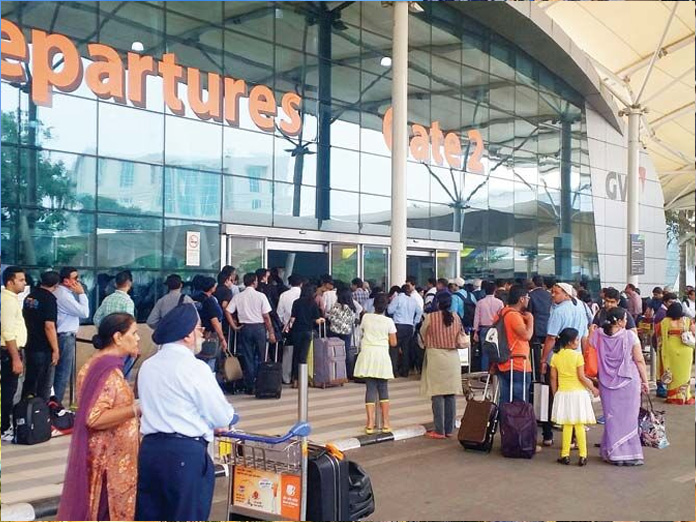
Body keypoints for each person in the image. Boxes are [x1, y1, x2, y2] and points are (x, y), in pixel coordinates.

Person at [136, 304, 236, 520]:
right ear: (188, 335)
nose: (202, 334)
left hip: (150, 451)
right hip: (184, 455)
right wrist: (223, 420)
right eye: (199, 329)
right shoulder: (195, 368)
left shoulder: (148, 366)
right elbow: (221, 416)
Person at [57, 313, 141, 521]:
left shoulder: (105, 365)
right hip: (108, 466)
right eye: (134, 333)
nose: (138, 338)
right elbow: (93, 418)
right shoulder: (105, 370)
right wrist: (136, 409)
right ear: (118, 337)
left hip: (113, 460)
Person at [591, 307, 649, 466]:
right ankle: (629, 454)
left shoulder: (597, 335)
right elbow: (639, 361)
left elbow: (588, 346)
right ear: (619, 321)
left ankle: (611, 452)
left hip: (605, 384)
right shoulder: (630, 336)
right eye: (625, 318)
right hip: (628, 383)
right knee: (629, 419)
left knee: (612, 419)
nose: (627, 320)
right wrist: (645, 381)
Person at [540, 282, 590, 447]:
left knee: (550, 395)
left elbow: (551, 337)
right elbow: (584, 336)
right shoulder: (581, 308)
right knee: (574, 396)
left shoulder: (559, 311)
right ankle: (575, 438)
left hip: (558, 358)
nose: (553, 295)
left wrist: (543, 360)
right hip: (576, 358)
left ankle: (548, 434)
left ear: (566, 294)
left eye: (556, 292)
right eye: (552, 292)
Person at [549, 328, 598, 467]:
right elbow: (581, 377)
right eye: (577, 340)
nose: (578, 342)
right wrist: (593, 388)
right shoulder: (577, 356)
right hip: (578, 394)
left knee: (567, 424)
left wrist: (555, 392)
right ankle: (583, 455)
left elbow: (553, 377)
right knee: (579, 425)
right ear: (570, 342)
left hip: (563, 392)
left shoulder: (555, 356)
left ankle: (565, 455)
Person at [419, 294, 464, 439]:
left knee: (437, 394)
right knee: (450, 394)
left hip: (436, 357)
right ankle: (449, 429)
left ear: (437, 303)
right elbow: (461, 335)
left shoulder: (431, 317)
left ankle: (439, 430)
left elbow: (422, 333)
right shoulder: (456, 317)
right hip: (452, 358)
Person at [354, 294, 397, 434]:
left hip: (367, 355)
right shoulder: (389, 321)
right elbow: (393, 342)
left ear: (374, 305)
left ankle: (370, 423)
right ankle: (386, 423)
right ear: (386, 307)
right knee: (383, 388)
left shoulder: (366, 318)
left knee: (370, 388)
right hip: (382, 355)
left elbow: (361, 332)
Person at [226, 273, 276, 394]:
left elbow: (228, 311)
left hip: (245, 328)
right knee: (262, 356)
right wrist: (271, 332)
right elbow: (266, 317)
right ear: (254, 282)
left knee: (248, 357)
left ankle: (250, 386)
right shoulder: (261, 296)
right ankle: (262, 384)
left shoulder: (238, 296)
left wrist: (234, 326)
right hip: (259, 328)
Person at [54, 266, 90, 403]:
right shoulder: (63, 295)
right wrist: (82, 294)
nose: (78, 281)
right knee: (63, 373)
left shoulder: (65, 294)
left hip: (65, 335)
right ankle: (56, 404)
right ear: (66, 281)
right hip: (65, 336)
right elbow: (84, 313)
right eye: (75, 278)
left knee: (61, 373)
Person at [22, 270, 60, 401]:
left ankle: (24, 411)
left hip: (30, 343)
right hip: (43, 347)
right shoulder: (49, 299)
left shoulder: (30, 296)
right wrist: (55, 349)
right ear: (56, 285)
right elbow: (49, 326)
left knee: (30, 381)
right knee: (43, 384)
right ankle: (39, 414)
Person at [1, 266, 28, 440]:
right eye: (21, 280)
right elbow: (8, 332)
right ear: (10, 282)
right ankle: (4, 428)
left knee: (9, 391)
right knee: (8, 392)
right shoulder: (8, 301)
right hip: (8, 351)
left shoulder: (10, 299)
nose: (25, 283)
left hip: (10, 350)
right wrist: (16, 358)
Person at [496, 285, 534, 404]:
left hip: (503, 362)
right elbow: (526, 335)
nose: (528, 300)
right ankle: (518, 423)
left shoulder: (501, 314)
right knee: (519, 402)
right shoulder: (513, 316)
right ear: (521, 299)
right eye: (527, 297)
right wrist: (531, 320)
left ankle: (506, 422)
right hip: (517, 363)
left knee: (505, 401)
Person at [656, 302, 695, 405]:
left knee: (672, 374)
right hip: (686, 351)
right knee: (685, 374)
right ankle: (684, 396)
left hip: (670, 351)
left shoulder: (664, 322)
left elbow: (659, 338)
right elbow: (694, 333)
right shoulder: (687, 321)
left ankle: (673, 397)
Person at [285, 284, 323, 389]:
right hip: (307, 331)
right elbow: (316, 319)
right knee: (303, 355)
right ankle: (302, 380)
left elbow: (293, 318)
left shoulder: (296, 302)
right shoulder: (313, 303)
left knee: (296, 354)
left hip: (296, 331)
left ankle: (295, 379)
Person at [387, 285, 422, 377]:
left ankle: (394, 371)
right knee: (406, 349)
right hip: (409, 326)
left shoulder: (398, 298)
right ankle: (405, 371)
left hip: (398, 325)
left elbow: (390, 310)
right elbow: (419, 311)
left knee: (394, 349)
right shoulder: (413, 300)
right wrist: (415, 322)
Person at [195, 276, 227, 371]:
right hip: (209, 334)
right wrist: (222, 338)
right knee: (210, 360)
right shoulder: (210, 301)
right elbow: (215, 321)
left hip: (195, 334)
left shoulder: (194, 298)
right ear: (212, 288)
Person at [473, 280, 504, 372]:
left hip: (484, 329)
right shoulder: (499, 303)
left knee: (485, 353)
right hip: (496, 329)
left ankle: (484, 373)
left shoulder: (480, 302)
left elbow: (476, 318)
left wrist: (475, 331)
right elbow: (502, 317)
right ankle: (495, 372)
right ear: (495, 290)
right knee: (496, 351)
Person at [527, 275, 552, 378]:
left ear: (533, 283)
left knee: (536, 353)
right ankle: (548, 373)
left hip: (536, 328)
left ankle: (537, 375)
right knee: (548, 351)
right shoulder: (550, 295)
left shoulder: (530, 295)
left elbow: (529, 312)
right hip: (549, 327)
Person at [327, 288, 358, 352]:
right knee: (346, 350)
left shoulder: (336, 306)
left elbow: (331, 317)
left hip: (335, 331)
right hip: (347, 331)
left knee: (335, 351)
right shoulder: (352, 307)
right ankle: (347, 361)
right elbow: (352, 319)